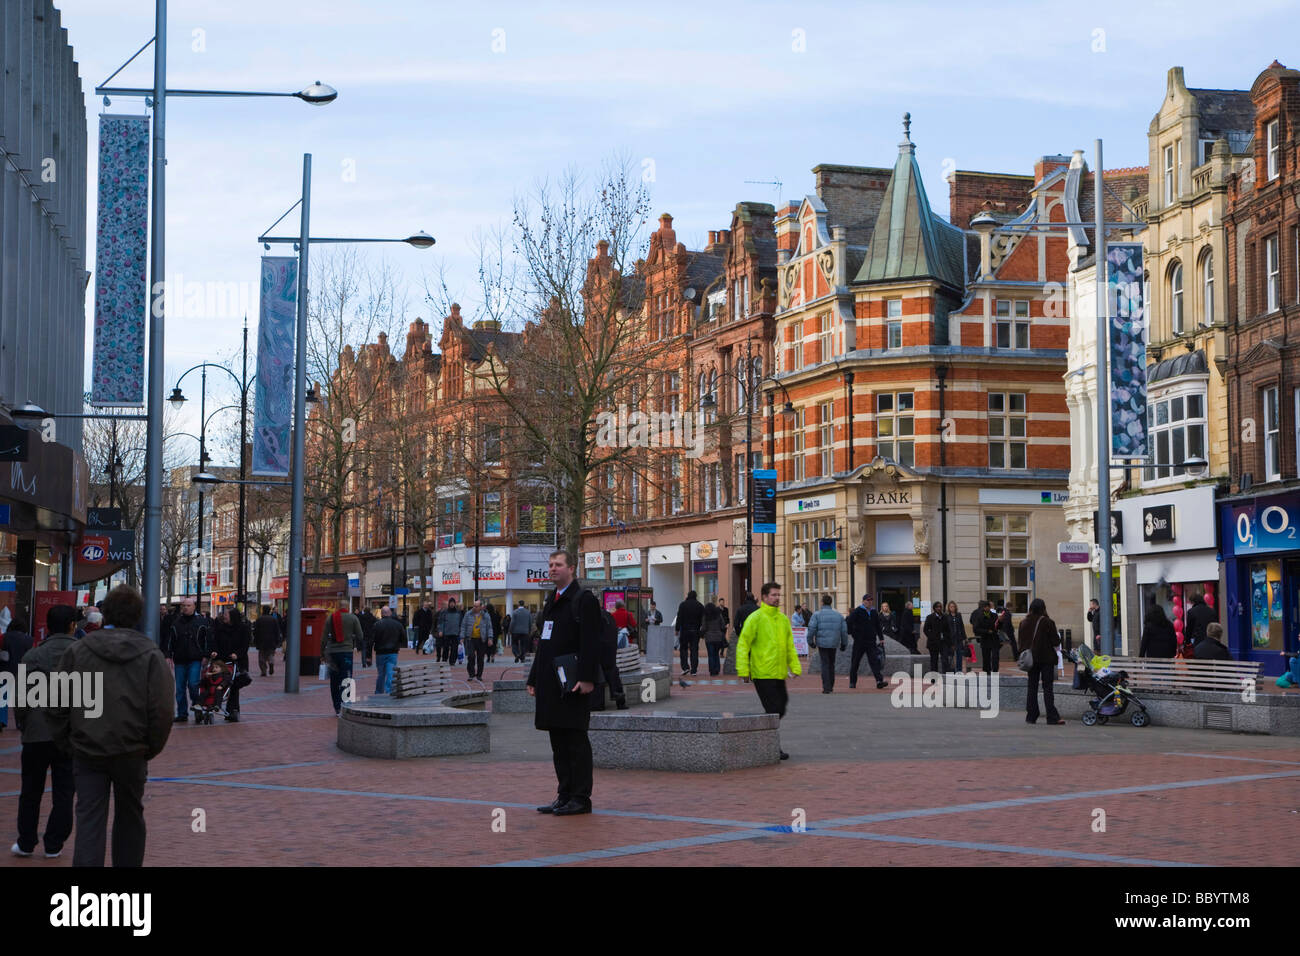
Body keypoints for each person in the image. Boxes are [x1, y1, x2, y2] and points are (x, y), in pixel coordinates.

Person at [48, 585, 173, 867]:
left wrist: (68, 741)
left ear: (105, 613)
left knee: (89, 820)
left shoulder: (78, 651)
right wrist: (149, 747)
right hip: (132, 750)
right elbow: (163, 709)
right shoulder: (151, 655)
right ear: (138, 615)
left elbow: (56, 703)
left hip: (87, 749)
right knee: (130, 817)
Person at [528, 550, 601, 816]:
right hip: (551, 683)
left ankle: (581, 797)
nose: (553, 569)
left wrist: (587, 678)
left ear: (572, 568)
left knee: (575, 740)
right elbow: (543, 645)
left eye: (558, 564)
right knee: (558, 739)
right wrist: (534, 678)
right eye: (550, 565)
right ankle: (564, 793)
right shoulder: (552, 600)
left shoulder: (584, 600)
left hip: (572, 682)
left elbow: (591, 642)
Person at [11, 604, 78, 858]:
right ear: (72, 625)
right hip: (69, 736)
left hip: (36, 733)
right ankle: (54, 843)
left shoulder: (33, 656)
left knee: (30, 791)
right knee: (64, 792)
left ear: (48, 626)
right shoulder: (82, 655)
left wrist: (24, 724)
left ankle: (26, 842)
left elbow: (20, 698)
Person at [735, 582, 799, 759]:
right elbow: (743, 644)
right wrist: (743, 669)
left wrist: (794, 666)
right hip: (762, 672)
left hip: (778, 672)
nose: (777, 598)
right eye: (773, 595)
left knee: (781, 707)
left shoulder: (783, 619)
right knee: (773, 709)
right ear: (764, 597)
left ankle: (761, 733)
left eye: (779, 595)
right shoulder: (755, 618)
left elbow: (789, 646)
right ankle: (772, 747)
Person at [162, 598, 208, 723]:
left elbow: (207, 640)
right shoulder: (176, 622)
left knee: (193, 684)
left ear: (194, 607)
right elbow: (170, 640)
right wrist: (168, 655)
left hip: (195, 658)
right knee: (180, 688)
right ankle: (182, 713)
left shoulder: (202, 622)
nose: (186, 607)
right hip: (180, 659)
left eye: (188, 605)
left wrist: (206, 655)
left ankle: (196, 705)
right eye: (184, 605)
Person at [1018, 598, 1064, 725]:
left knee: (1032, 687)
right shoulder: (1048, 622)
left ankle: (1031, 715)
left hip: (1031, 660)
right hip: (1046, 659)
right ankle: (1052, 716)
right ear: (1043, 608)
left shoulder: (1024, 623)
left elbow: (1020, 643)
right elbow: (1055, 641)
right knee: (1047, 687)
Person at [320, 603, 362, 715]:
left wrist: (322, 653)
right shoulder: (353, 618)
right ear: (347, 607)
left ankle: (337, 706)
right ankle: (347, 705)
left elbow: (324, 637)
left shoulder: (331, 618)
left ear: (338, 607)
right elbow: (360, 635)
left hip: (333, 653)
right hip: (346, 652)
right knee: (347, 678)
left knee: (334, 680)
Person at [212, 607, 251, 721]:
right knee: (224, 684)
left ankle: (232, 710)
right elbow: (215, 642)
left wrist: (237, 655)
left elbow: (245, 645)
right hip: (223, 661)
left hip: (237, 662)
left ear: (232, 617)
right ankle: (230, 710)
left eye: (226, 615)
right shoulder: (220, 628)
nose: (224, 616)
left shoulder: (243, 628)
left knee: (234, 686)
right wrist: (214, 652)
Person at [808, 594, 847, 693]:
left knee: (825, 663)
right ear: (831, 603)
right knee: (831, 664)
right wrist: (844, 644)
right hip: (834, 642)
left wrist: (810, 641)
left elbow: (811, 629)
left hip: (822, 643)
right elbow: (844, 631)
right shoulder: (838, 615)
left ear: (822, 602)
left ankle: (826, 687)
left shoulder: (817, 614)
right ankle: (831, 685)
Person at [847, 594, 886, 689]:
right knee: (855, 662)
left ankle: (879, 680)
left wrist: (881, 638)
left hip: (871, 641)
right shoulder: (857, 611)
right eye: (868, 600)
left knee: (874, 661)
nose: (870, 602)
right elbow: (848, 622)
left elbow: (877, 625)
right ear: (863, 601)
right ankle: (852, 682)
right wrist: (853, 634)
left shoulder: (873, 612)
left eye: (871, 600)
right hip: (859, 641)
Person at [0, 618, 33, 732]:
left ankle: (2, 720)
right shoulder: (29, 639)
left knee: (2, 697)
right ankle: (20, 721)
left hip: (5, 669)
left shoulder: (4, 637)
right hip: (22, 670)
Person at [372, 606, 406, 694]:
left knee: (381, 674)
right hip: (393, 652)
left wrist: (368, 655)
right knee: (390, 672)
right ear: (390, 613)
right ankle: (389, 691)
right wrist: (397, 643)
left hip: (380, 652)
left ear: (382, 614)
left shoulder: (377, 624)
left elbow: (372, 639)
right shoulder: (397, 624)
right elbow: (403, 638)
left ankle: (379, 692)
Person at [460, 600, 494, 681]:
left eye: (476, 606)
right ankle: (471, 674)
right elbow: (463, 626)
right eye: (474, 606)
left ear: (481, 607)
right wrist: (462, 637)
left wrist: (490, 638)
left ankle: (479, 675)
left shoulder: (486, 615)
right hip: (470, 638)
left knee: (480, 658)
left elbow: (489, 627)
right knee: (471, 656)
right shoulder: (468, 614)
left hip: (481, 639)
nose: (474, 607)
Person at [674, 590, 704, 676]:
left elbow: (679, 617)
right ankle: (694, 669)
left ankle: (685, 667)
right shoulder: (700, 606)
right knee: (694, 650)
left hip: (685, 631)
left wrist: (677, 629)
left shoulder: (683, 605)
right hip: (695, 631)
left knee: (683, 649)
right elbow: (703, 620)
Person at [969, 600, 998, 673]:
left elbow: (997, 626)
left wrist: (1000, 622)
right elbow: (976, 628)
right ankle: (986, 671)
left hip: (994, 638)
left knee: (995, 656)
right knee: (986, 657)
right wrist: (987, 631)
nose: (987, 608)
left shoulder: (994, 615)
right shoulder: (979, 616)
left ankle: (994, 670)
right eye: (985, 607)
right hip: (984, 638)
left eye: (988, 607)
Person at [253, 605, 282, 677]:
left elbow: (256, 631)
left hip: (261, 641)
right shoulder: (273, 619)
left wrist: (255, 640)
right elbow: (277, 631)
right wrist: (277, 640)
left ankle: (263, 671)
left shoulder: (259, 619)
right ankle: (271, 662)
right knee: (271, 654)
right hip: (271, 641)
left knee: (262, 657)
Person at [701, 599, 727, 677]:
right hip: (718, 638)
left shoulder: (706, 616)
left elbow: (704, 627)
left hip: (709, 638)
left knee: (711, 654)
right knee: (716, 653)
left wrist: (702, 634)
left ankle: (712, 670)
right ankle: (717, 669)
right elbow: (723, 626)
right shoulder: (719, 615)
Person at [435, 599, 464, 664]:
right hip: (446, 633)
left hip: (455, 633)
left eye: (453, 603)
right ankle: (444, 659)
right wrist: (440, 631)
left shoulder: (458, 612)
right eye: (450, 603)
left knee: (454, 648)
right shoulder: (444, 612)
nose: (452, 604)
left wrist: (461, 633)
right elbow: (441, 622)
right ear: (449, 604)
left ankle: (452, 661)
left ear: (455, 604)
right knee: (446, 647)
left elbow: (461, 623)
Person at [943, 601, 968, 673]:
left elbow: (962, 626)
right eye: (951, 606)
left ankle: (959, 670)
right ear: (948, 607)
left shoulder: (958, 615)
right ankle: (951, 670)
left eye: (953, 606)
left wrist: (965, 637)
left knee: (959, 655)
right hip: (950, 638)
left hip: (958, 638)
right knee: (950, 655)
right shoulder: (946, 616)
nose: (952, 608)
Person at [923, 601, 946, 674]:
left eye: (940, 607)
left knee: (945, 660)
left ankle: (945, 675)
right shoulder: (930, 617)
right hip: (933, 643)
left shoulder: (944, 616)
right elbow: (925, 629)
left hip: (943, 642)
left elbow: (947, 629)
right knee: (934, 660)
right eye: (937, 607)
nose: (939, 608)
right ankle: (934, 677)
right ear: (934, 608)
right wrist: (932, 637)